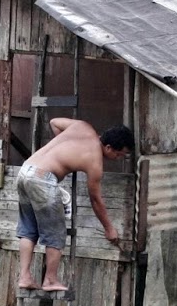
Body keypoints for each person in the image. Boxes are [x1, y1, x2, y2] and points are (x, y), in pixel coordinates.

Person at [16, 119, 133, 291]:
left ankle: (24, 277)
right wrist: (109, 228)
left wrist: (67, 154)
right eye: (120, 154)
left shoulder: (83, 127)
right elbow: (95, 199)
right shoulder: (95, 161)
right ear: (108, 147)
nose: (118, 159)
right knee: (55, 231)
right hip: (43, 179)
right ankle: (50, 280)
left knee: (28, 229)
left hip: (25, 170)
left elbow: (54, 122)